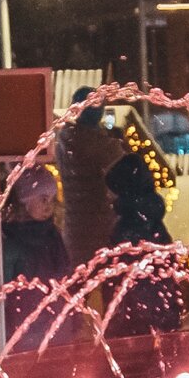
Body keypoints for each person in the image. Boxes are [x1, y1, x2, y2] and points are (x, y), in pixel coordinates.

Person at [0, 166, 73, 351]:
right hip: (23, 335)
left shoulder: (53, 237)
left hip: (57, 332)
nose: (49, 205)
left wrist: (73, 318)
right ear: (24, 201)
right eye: (43, 199)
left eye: (52, 200)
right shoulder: (7, 244)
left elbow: (65, 281)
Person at [103, 151, 180, 336]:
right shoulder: (155, 224)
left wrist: (115, 320)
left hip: (132, 324)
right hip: (161, 316)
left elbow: (116, 278)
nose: (107, 195)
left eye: (112, 190)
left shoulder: (127, 228)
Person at [56, 86, 125, 269]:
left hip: (73, 232)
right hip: (103, 233)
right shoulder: (107, 148)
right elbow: (122, 187)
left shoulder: (63, 143)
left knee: (76, 290)